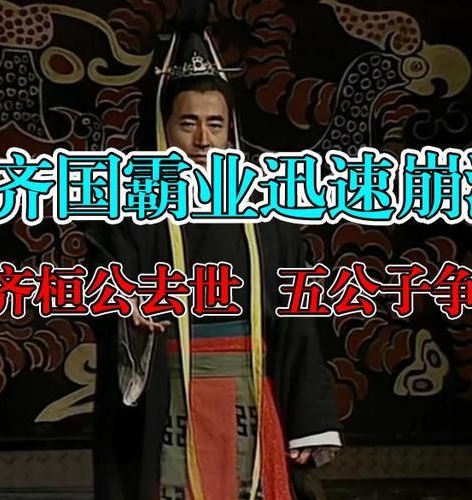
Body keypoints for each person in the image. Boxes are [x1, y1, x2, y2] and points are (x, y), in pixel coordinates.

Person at [85, 20, 342, 500]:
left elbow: (297, 313)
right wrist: (125, 306)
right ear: (164, 128)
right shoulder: (129, 206)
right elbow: (105, 278)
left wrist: (310, 418)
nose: (203, 139)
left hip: (249, 384)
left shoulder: (265, 208)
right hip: (170, 389)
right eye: (188, 123)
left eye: (215, 124)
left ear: (229, 130)